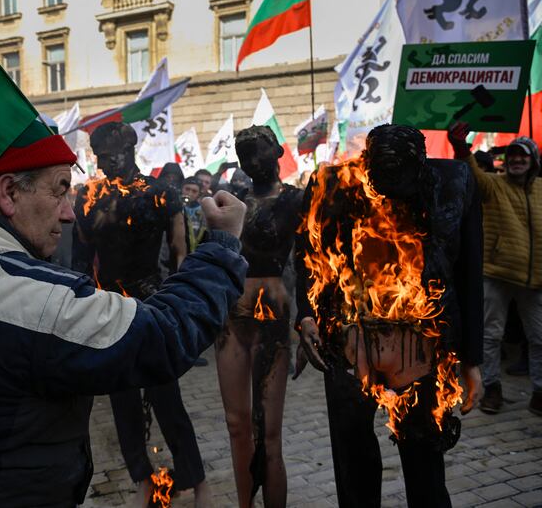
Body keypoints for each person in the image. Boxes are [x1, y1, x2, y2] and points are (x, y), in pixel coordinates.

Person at [0, 118, 248, 506]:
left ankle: (194, 480)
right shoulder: (37, 299)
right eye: (59, 190)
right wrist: (224, 245)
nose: (69, 212)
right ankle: (144, 478)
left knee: (168, 407)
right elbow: (162, 339)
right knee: (128, 414)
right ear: (8, 192)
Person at [295, 124, 483, 508]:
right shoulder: (334, 186)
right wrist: (307, 316)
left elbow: (469, 271)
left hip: (422, 340)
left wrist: (472, 359)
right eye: (382, 178)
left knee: (424, 458)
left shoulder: (454, 183)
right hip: (351, 337)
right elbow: (307, 255)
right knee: (353, 457)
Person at [73, 122, 212, 507]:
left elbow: (181, 254)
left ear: (129, 150)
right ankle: (142, 478)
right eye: (98, 156)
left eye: (107, 155)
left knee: (167, 396)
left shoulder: (161, 194)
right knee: (122, 400)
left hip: (154, 303)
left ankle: (196, 481)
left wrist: (183, 308)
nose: (102, 163)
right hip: (109, 306)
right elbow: (82, 261)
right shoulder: (89, 199)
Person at [215, 126, 303, 508]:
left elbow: (314, 263)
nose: (253, 161)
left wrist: (309, 321)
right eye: (244, 154)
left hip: (271, 321)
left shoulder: (296, 200)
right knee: (237, 426)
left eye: (259, 151)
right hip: (232, 320)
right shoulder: (234, 201)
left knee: (267, 432)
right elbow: (214, 256)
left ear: (279, 151)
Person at [448, 123, 542, 415]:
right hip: (497, 274)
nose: (516, 160)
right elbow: (472, 173)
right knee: (490, 336)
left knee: (539, 338)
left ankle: (539, 392)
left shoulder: (541, 189)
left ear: (533, 161)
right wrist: (461, 146)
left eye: (523, 156)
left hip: (536, 278)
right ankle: (491, 390)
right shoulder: (493, 184)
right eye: (512, 156)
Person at [182, 176, 207, 253]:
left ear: (199, 194)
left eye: (194, 191)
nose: (190, 193)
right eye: (187, 189)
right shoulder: (174, 207)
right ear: (181, 188)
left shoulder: (203, 212)